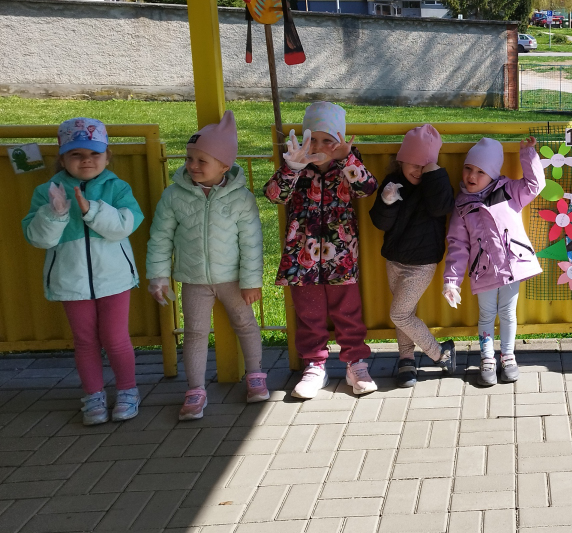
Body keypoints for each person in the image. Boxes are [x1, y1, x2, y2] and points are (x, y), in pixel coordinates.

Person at [22, 119, 144, 425]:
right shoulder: (46, 191)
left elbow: (125, 226)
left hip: (114, 279)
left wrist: (91, 210)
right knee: (85, 341)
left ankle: (128, 390)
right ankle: (93, 395)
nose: (86, 160)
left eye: (94, 153)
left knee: (115, 338)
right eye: (76, 154)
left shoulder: (118, 187)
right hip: (70, 280)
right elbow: (38, 239)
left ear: (107, 156)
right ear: (62, 159)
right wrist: (55, 215)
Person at [146, 111, 266, 420]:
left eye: (202, 160)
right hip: (194, 280)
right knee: (195, 333)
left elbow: (251, 242)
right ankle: (196, 389)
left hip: (233, 280)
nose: (193, 165)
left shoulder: (241, 198)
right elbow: (160, 237)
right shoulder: (173, 195)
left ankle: (255, 375)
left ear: (225, 165)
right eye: (189, 158)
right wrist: (158, 275)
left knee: (246, 325)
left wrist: (251, 281)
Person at [265, 102, 378, 399]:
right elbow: (274, 195)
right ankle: (314, 365)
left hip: (341, 255)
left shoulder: (347, 165)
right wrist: (292, 168)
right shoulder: (296, 166)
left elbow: (367, 188)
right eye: (312, 138)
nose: (318, 146)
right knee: (309, 313)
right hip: (301, 256)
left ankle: (356, 363)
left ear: (340, 142)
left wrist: (347, 159)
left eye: (328, 140)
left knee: (348, 311)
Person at [444, 136, 544, 386]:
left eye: (481, 171)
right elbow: (457, 245)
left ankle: (508, 356)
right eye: (468, 168)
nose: (472, 176)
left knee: (508, 313)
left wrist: (528, 154)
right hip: (484, 271)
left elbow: (534, 185)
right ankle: (487, 357)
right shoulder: (462, 205)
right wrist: (451, 281)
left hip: (512, 266)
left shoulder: (509, 191)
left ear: (493, 174)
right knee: (487, 314)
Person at [369, 123, 457, 386]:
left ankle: (440, 353)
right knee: (406, 313)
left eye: (425, 165)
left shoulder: (436, 184)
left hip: (422, 264)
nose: (418, 170)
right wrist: (386, 202)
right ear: (401, 160)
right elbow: (381, 223)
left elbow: (442, 207)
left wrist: (434, 174)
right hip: (394, 259)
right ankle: (406, 359)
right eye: (413, 164)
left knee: (400, 314)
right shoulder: (392, 183)